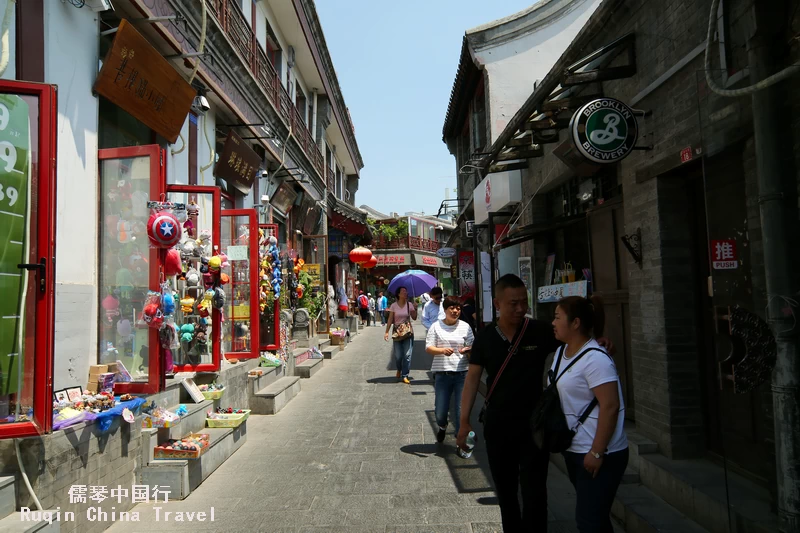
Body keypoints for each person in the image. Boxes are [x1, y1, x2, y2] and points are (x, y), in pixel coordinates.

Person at [458, 274, 614, 532]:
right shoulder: (485, 337)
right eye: (513, 303)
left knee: (535, 493)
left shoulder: (540, 330)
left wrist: (599, 339)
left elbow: (576, 337)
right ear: (497, 304)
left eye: (524, 302)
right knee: (506, 494)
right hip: (498, 427)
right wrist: (464, 422)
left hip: (534, 427)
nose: (520, 309)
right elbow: (472, 380)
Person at [551, 296, 627, 533]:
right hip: (575, 450)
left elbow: (610, 405)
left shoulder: (595, 358)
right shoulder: (561, 351)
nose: (552, 322)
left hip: (599, 454)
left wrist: (596, 451)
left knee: (588, 522)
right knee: (596, 520)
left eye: (557, 317)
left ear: (575, 323)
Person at [425, 296, 473, 445]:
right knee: (440, 411)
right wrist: (441, 351)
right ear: (445, 310)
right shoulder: (436, 326)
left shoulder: (465, 326)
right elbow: (428, 347)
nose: (455, 311)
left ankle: (461, 442)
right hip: (442, 374)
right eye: (452, 308)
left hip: (462, 373)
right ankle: (442, 426)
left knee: (460, 412)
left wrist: (467, 350)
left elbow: (473, 347)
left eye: (458, 308)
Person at [383, 287, 418, 384]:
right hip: (397, 332)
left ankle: (405, 375)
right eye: (403, 291)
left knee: (407, 355)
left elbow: (414, 318)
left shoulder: (409, 304)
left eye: (406, 291)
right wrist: (386, 332)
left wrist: (415, 308)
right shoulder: (394, 306)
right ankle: (399, 369)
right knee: (398, 356)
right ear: (398, 294)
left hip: (408, 333)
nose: (405, 293)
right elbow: (390, 319)